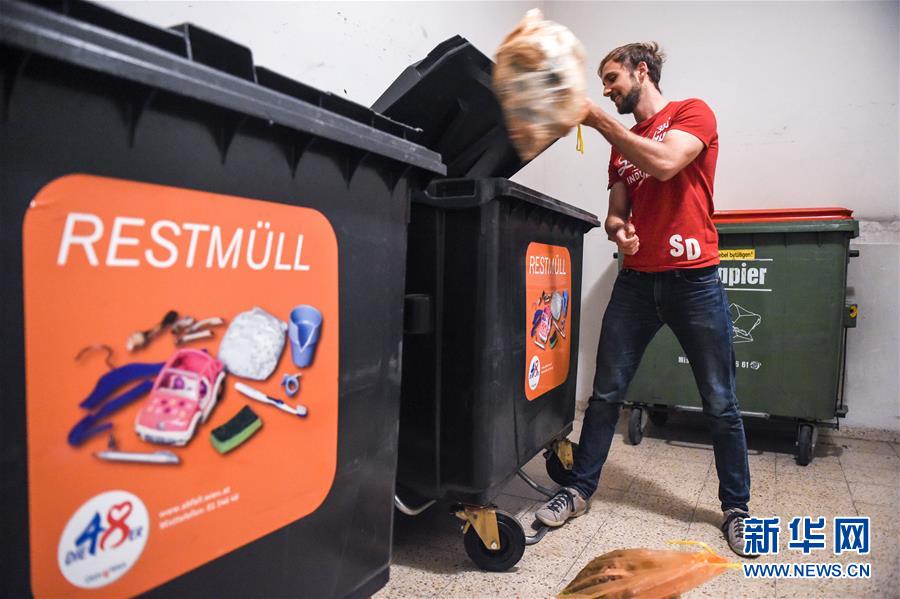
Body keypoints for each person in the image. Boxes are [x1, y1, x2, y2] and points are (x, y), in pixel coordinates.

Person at [534, 42, 756, 558]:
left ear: (641, 71)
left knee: (720, 401)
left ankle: (736, 508)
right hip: (636, 282)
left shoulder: (692, 113)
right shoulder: (621, 148)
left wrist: (595, 119)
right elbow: (616, 213)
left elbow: (665, 163)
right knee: (606, 393)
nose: (606, 90)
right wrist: (619, 231)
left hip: (694, 281)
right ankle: (579, 489)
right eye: (602, 85)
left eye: (611, 78)